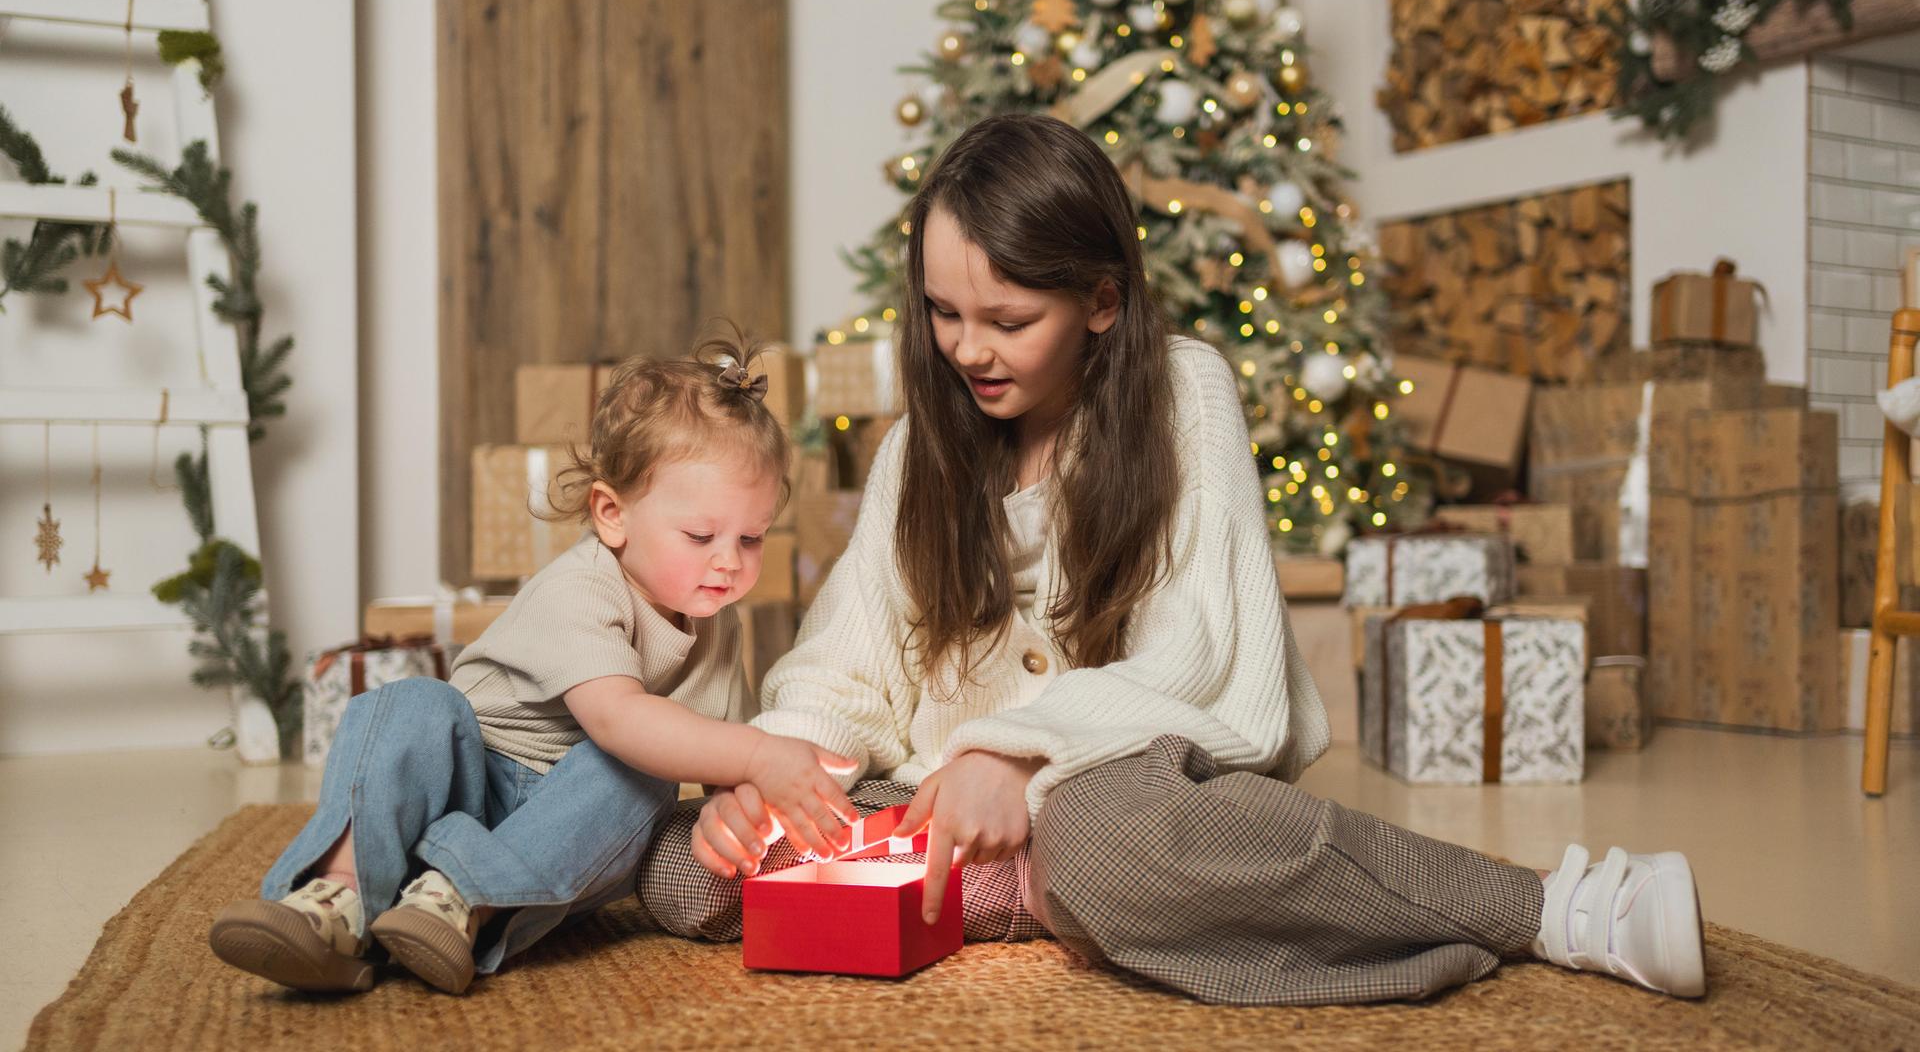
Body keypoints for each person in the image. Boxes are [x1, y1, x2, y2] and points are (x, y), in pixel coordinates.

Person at [635, 114, 1706, 1005]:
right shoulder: (921, 444)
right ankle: (1010, 894)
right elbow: (848, 662)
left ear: (1102, 301)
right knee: (684, 867)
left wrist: (1012, 757)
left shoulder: (1183, 396)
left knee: (1102, 843)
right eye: (945, 313)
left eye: (1009, 319)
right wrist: (776, 774)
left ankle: (1554, 907)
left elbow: (1207, 669)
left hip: (1124, 789)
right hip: (932, 808)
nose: (968, 350)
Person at [209, 333, 858, 995]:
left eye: (750, 538)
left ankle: (457, 903)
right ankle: (339, 896)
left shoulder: (721, 629)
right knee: (411, 705)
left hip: (557, 838)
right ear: (612, 515)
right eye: (701, 536)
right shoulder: (581, 588)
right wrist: (757, 755)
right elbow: (617, 717)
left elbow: (710, 755)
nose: (730, 560)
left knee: (640, 780)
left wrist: (739, 807)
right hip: (465, 778)